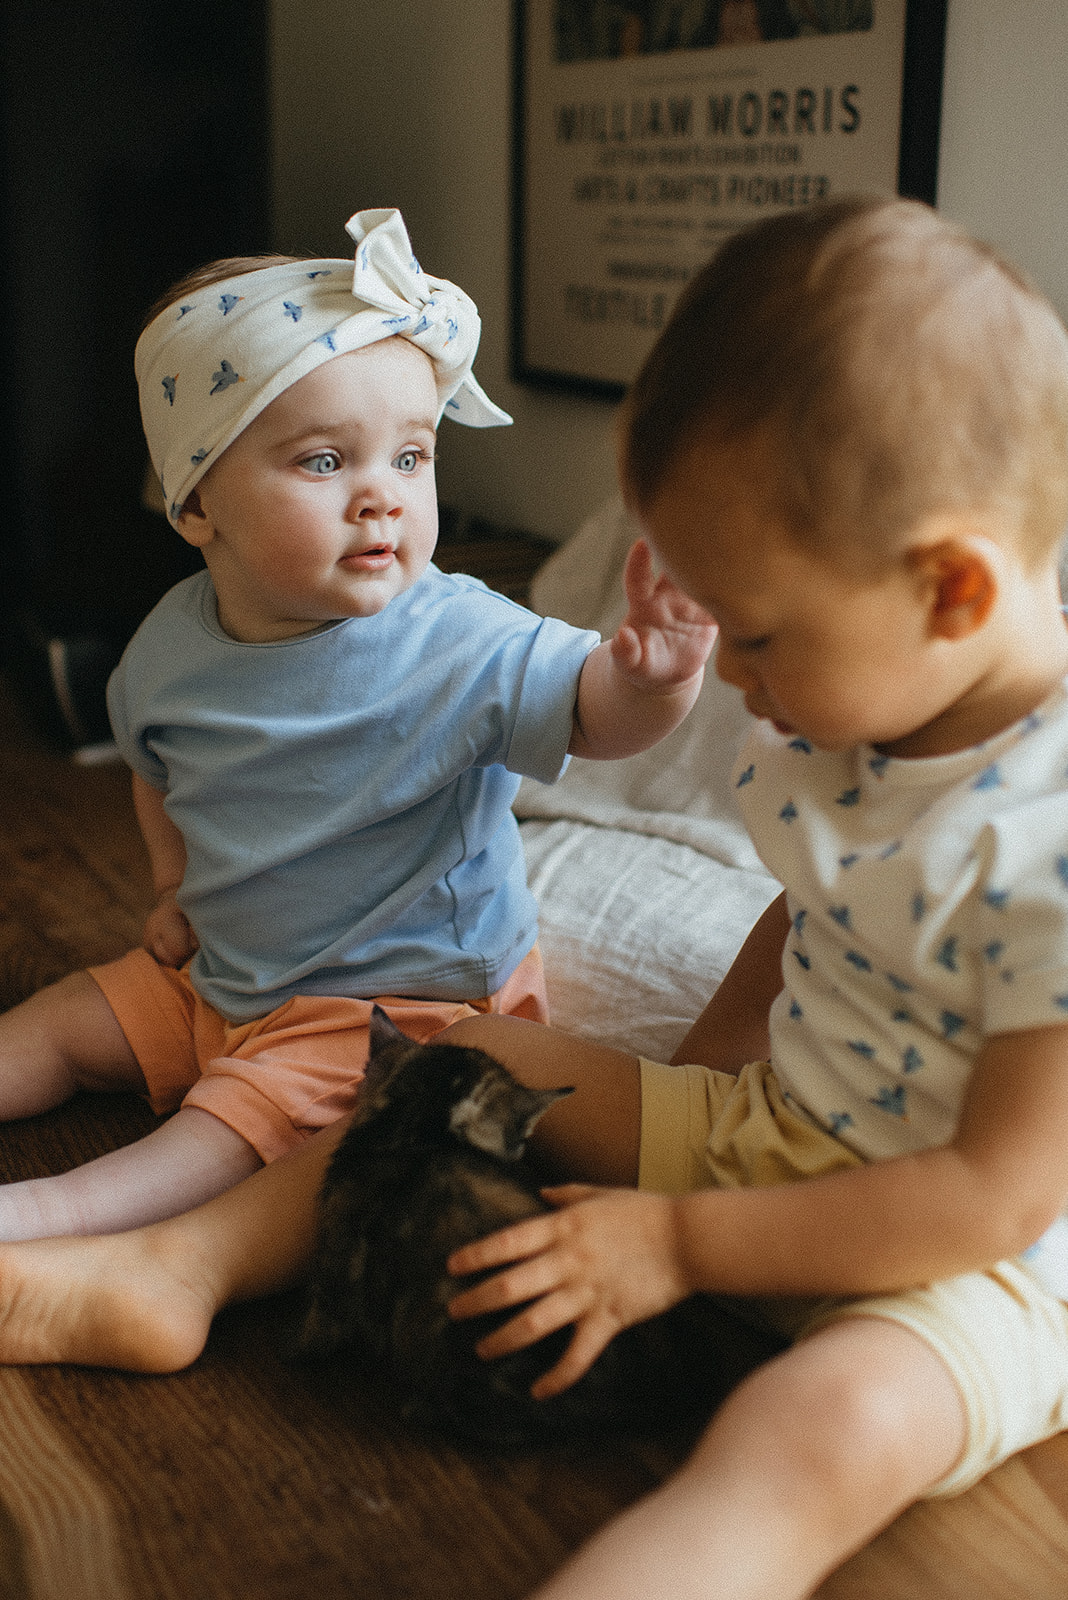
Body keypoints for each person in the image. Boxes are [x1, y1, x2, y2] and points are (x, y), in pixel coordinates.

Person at [0, 193, 1066, 1600]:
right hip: (779, 1134)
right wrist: (684, 1102)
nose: (736, 684)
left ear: (948, 590)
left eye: (757, 634)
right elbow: (806, 914)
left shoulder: (1044, 854)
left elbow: (989, 1198)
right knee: (453, 1055)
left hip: (952, 1257)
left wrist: (684, 1235)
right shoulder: (865, 727)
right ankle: (179, 1271)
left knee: (814, 1431)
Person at [0, 206, 715, 1243]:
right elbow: (154, 767)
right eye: (326, 462)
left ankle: (48, 1220)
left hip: (402, 1007)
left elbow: (592, 715)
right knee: (66, 1021)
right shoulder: (166, 644)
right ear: (198, 506)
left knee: (225, 1129)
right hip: (226, 972)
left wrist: (650, 681)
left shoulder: (459, 636)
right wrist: (169, 888)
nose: (383, 498)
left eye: (412, 458)